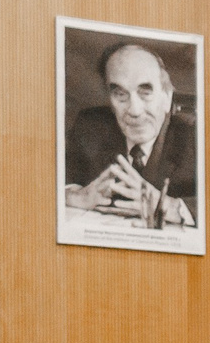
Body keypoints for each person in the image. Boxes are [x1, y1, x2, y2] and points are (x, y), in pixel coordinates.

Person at [62, 41, 196, 230]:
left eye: (145, 92)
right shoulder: (90, 126)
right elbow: (48, 182)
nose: (134, 110)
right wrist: (74, 196)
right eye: (121, 95)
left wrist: (172, 206)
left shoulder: (195, 138)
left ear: (167, 97)